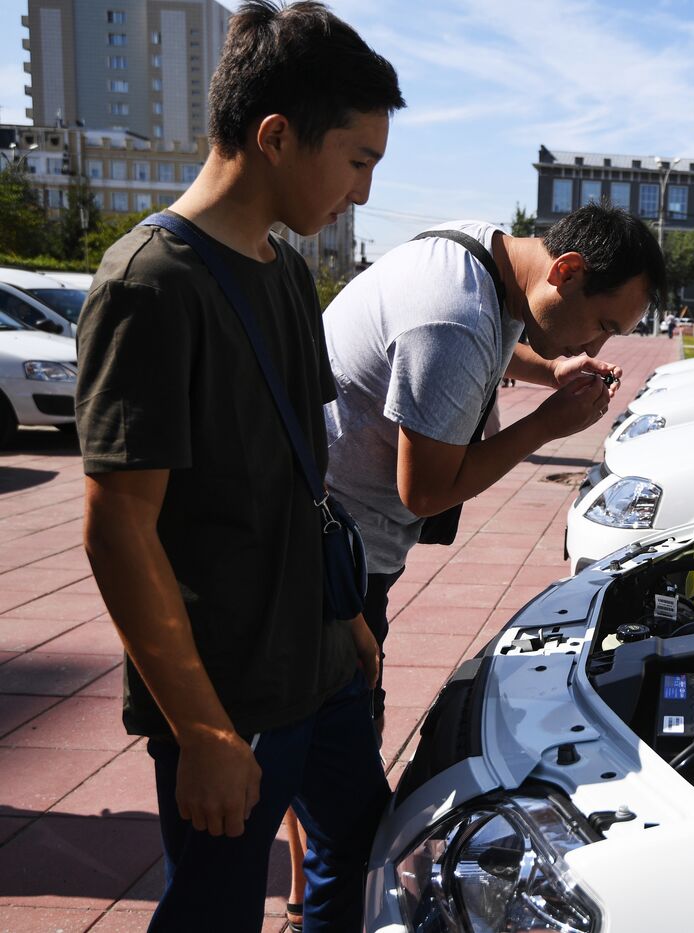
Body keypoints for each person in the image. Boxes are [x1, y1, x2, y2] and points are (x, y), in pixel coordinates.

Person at [73, 3, 404, 931]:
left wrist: (346, 618)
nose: (364, 193)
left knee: (367, 840)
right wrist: (205, 730)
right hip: (233, 695)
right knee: (215, 911)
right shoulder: (149, 284)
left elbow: (304, 476)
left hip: (322, 663)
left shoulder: (286, 270)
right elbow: (118, 527)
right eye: (358, 161)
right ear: (275, 136)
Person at [320, 203, 665, 732]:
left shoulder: (480, 253)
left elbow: (490, 343)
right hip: (335, 558)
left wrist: (553, 369)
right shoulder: (453, 317)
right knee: (342, 758)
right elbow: (427, 493)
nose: (596, 346)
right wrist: (545, 426)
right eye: (601, 325)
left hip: (323, 531)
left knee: (309, 748)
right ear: (566, 271)